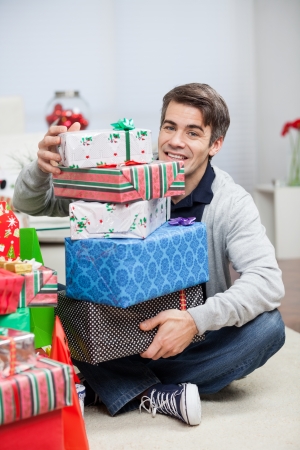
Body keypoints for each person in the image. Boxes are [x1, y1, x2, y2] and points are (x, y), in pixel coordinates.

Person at [13, 83, 285, 426]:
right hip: (112, 330)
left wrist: (194, 321)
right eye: (169, 127)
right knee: (48, 294)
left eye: (193, 132)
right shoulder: (126, 177)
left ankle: (109, 383)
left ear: (215, 144)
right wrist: (41, 168)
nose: (175, 141)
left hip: (189, 339)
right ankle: (156, 393)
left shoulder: (230, 202)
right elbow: (30, 203)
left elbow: (267, 282)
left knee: (270, 328)